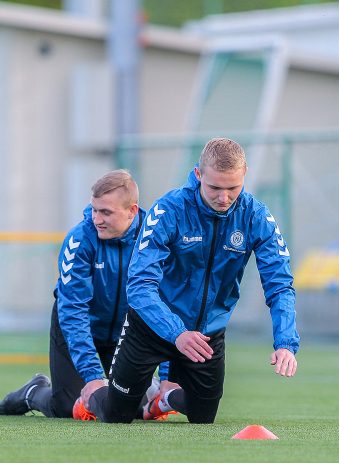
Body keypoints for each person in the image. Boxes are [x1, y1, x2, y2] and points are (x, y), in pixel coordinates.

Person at [78, 138, 299, 424]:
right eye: (215, 188)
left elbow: (280, 284)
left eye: (233, 188)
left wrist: (285, 342)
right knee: (116, 415)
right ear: (198, 175)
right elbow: (140, 285)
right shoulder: (169, 210)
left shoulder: (257, 217)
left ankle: (163, 398)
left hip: (206, 335)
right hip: (151, 327)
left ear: (245, 174)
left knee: (202, 417)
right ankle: (92, 391)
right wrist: (176, 333)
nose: (224, 197)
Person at [0, 170, 172, 419]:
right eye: (94, 210)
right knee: (69, 406)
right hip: (78, 327)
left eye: (106, 212)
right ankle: (33, 391)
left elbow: (166, 305)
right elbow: (73, 310)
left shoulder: (154, 240)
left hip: (125, 335)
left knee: (128, 408)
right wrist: (93, 377)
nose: (97, 219)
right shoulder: (79, 240)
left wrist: (168, 376)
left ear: (132, 211)